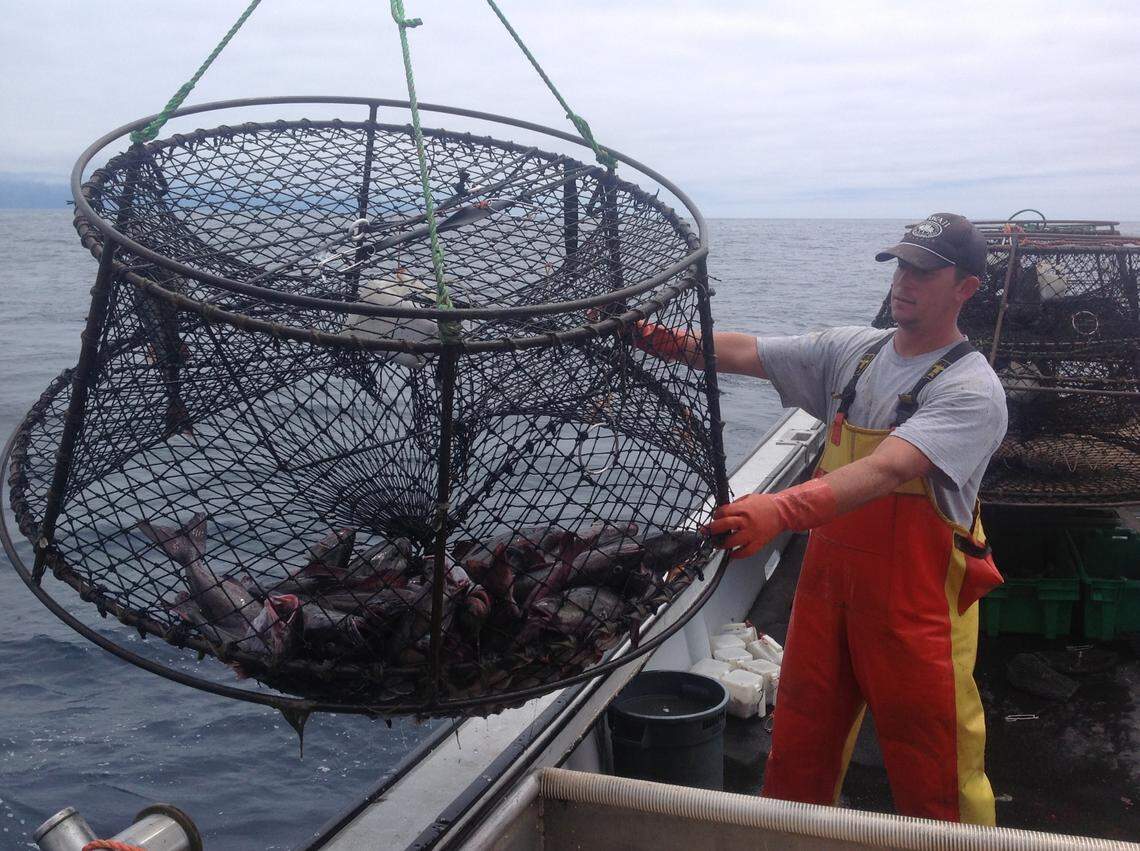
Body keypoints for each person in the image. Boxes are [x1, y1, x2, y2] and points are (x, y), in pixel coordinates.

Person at [634, 213, 1008, 825]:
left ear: (965, 287)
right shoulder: (854, 352)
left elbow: (888, 468)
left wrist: (780, 509)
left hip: (917, 615)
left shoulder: (972, 389)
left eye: (925, 271)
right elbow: (748, 352)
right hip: (826, 595)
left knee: (937, 765)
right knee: (800, 746)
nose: (904, 282)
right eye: (901, 266)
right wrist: (653, 337)